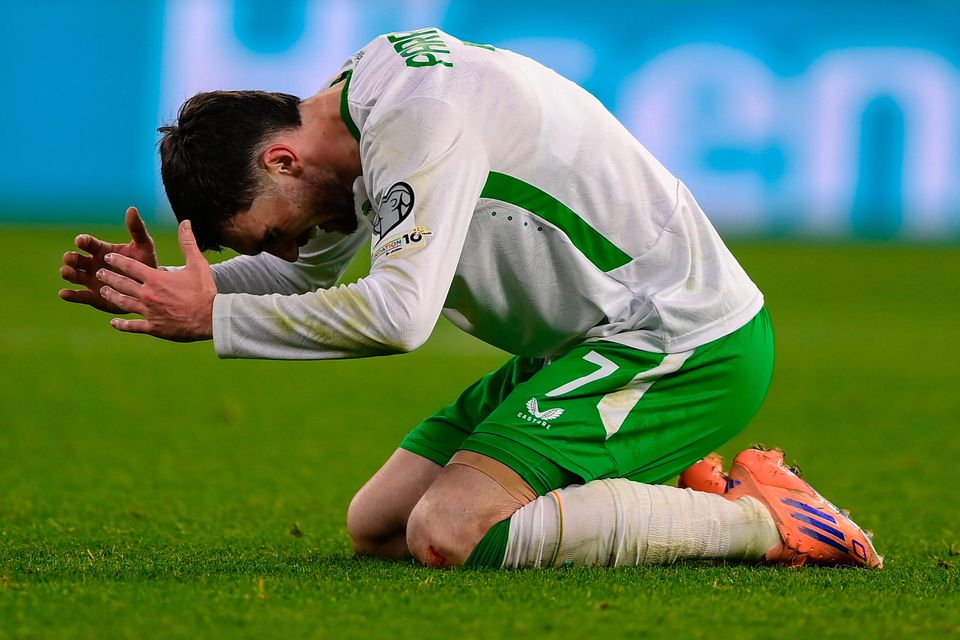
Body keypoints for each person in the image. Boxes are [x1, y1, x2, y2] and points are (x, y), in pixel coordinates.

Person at [59, 28, 881, 569]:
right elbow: (312, 275)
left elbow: (398, 315)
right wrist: (169, 292)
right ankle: (675, 480)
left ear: (279, 161)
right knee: (378, 525)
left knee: (451, 534)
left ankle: (767, 521)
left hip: (675, 341)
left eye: (268, 234)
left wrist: (213, 316)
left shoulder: (420, 122)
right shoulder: (352, 119)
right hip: (581, 348)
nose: (283, 249)